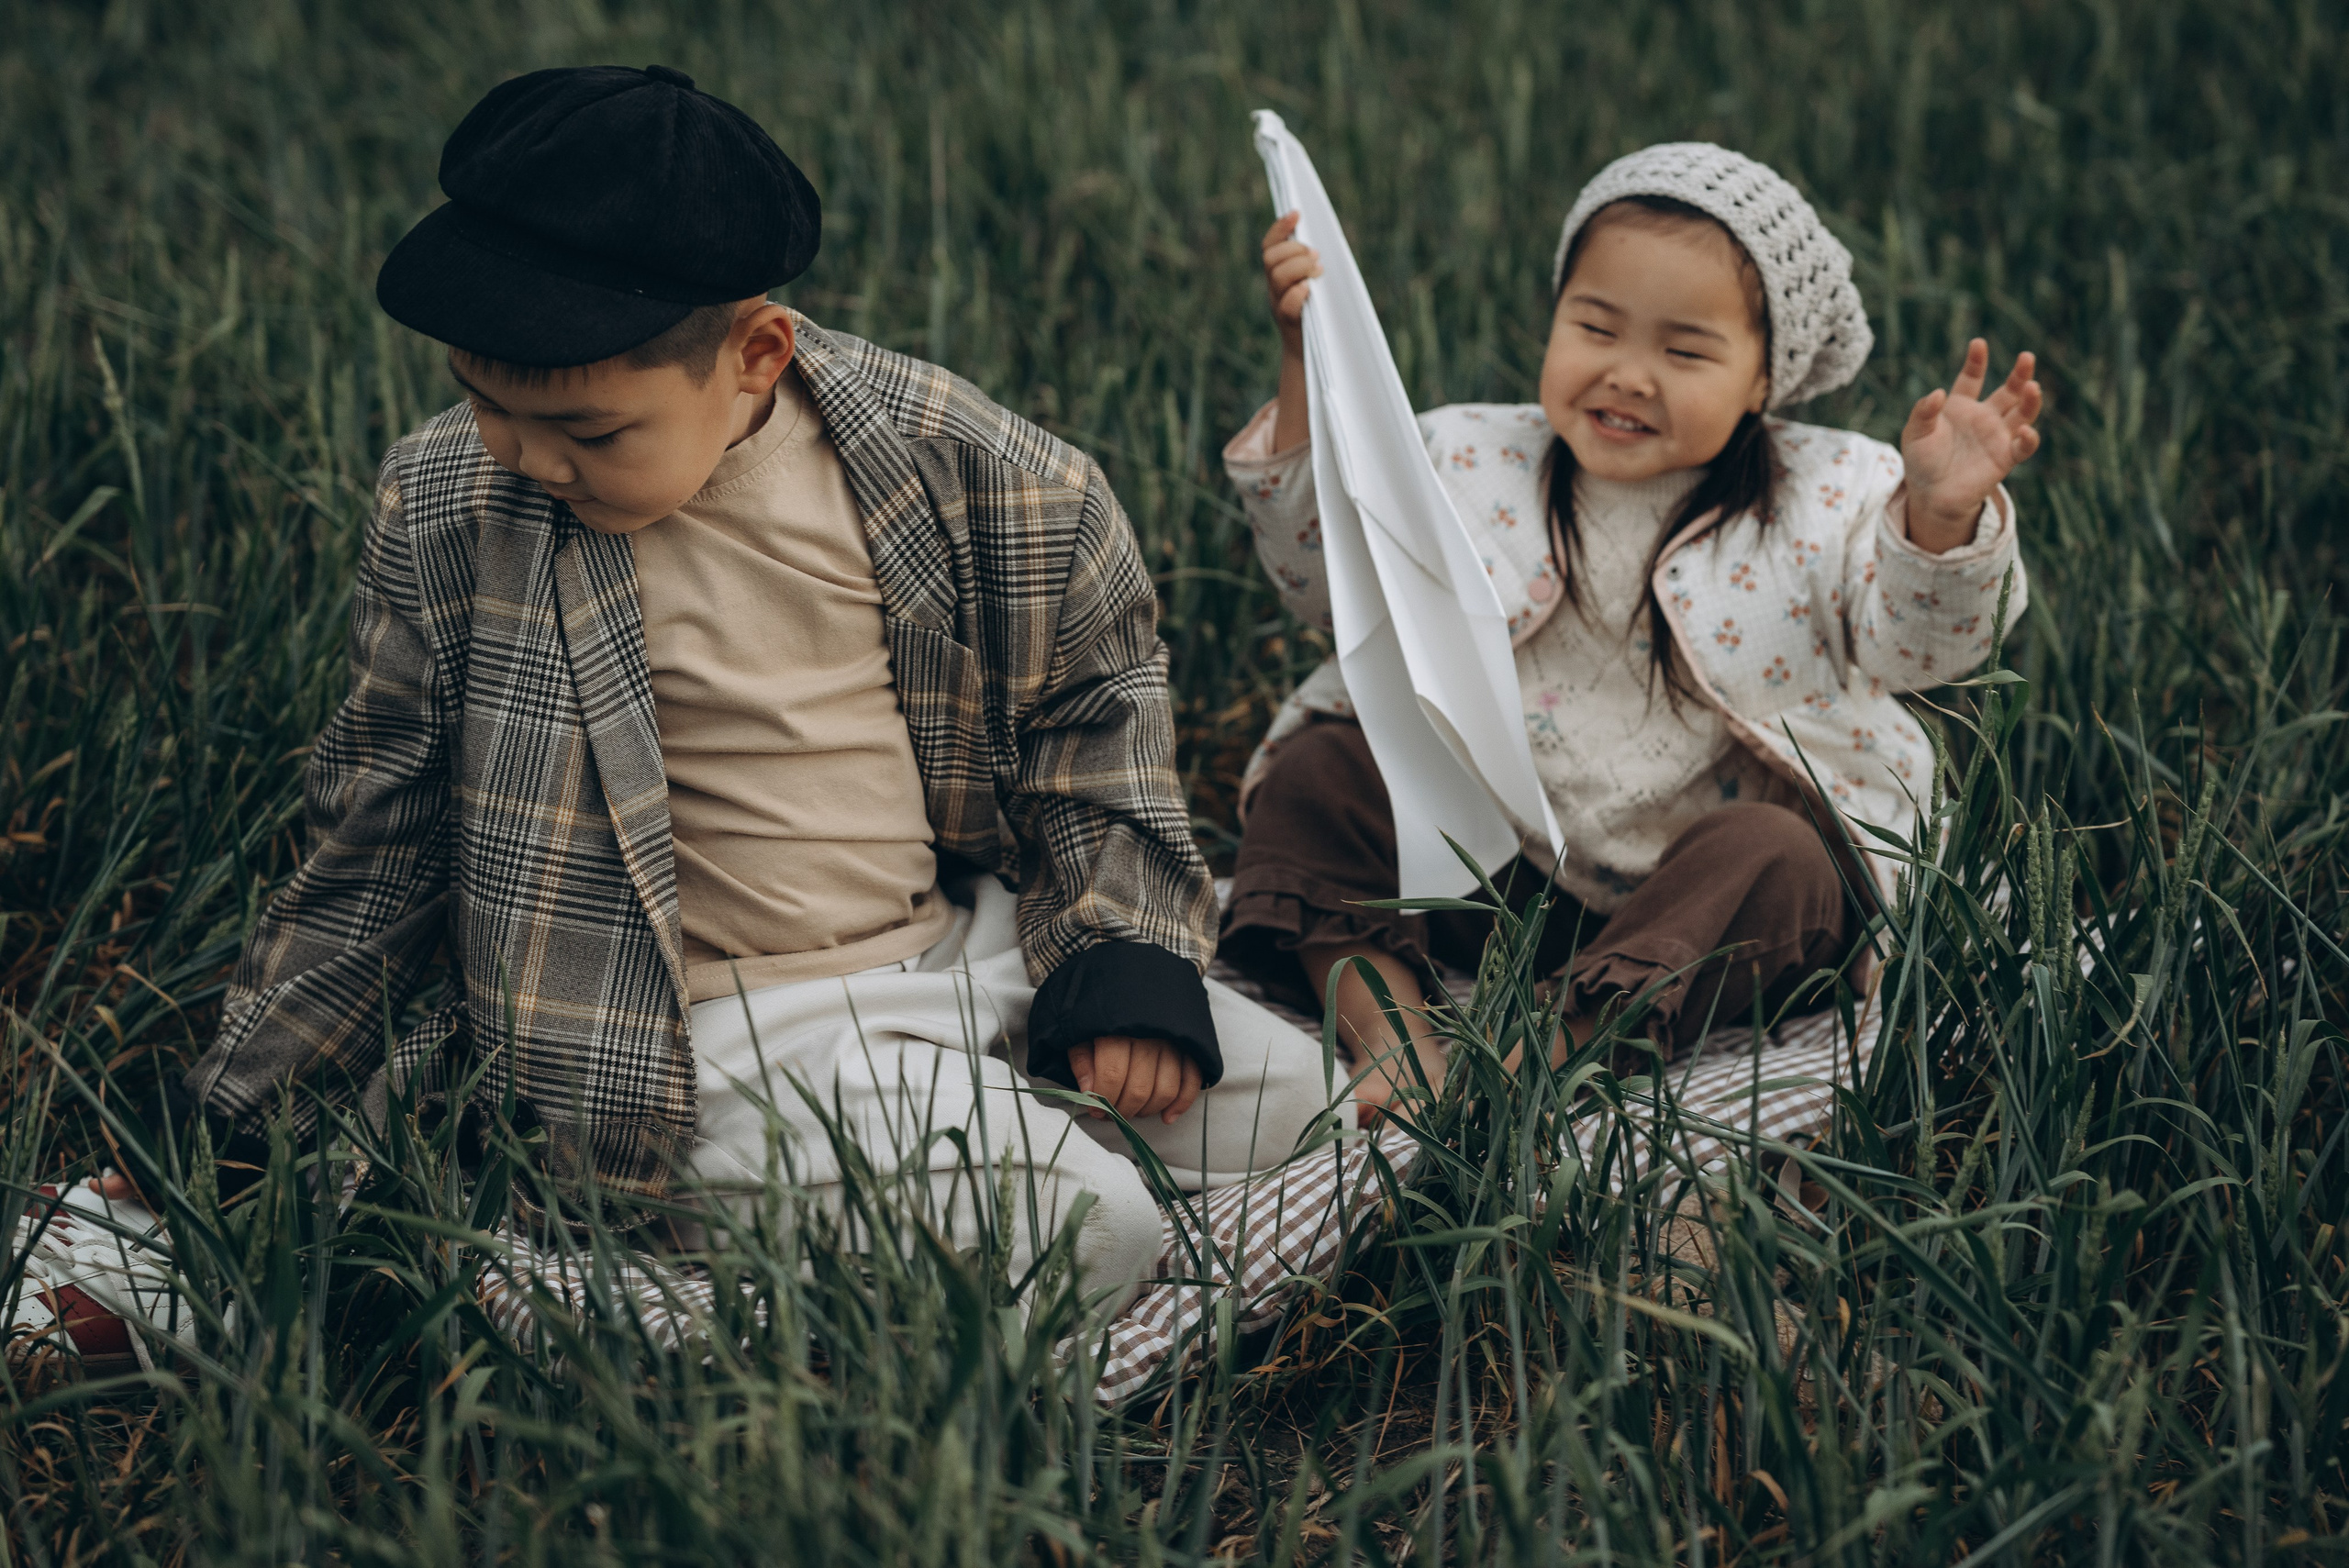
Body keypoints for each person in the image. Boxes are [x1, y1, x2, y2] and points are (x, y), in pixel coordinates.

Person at [13, 66, 1338, 1375]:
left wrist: (1121, 956)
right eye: (491, 406)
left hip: (958, 945)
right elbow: (373, 844)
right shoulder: (454, 508)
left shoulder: (973, 472)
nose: (528, 456)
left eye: (588, 428)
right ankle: (669, 1276)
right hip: (712, 1034)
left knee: (1312, 1118)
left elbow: (1090, 724)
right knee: (1079, 1229)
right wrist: (239, 1118)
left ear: (756, 351)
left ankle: (983, 1160)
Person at [1220, 142, 2041, 1118]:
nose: (1628, 374)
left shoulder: (1837, 495)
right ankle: (1391, 1029)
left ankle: (1558, 1044)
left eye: (1685, 350)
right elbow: (1331, 585)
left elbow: (1922, 649)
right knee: (1320, 772)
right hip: (1490, 865)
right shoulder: (1468, 454)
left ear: (1763, 381)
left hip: (1700, 902)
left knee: (1782, 854)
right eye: (1594, 326)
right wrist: (1302, 358)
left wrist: (1939, 520)